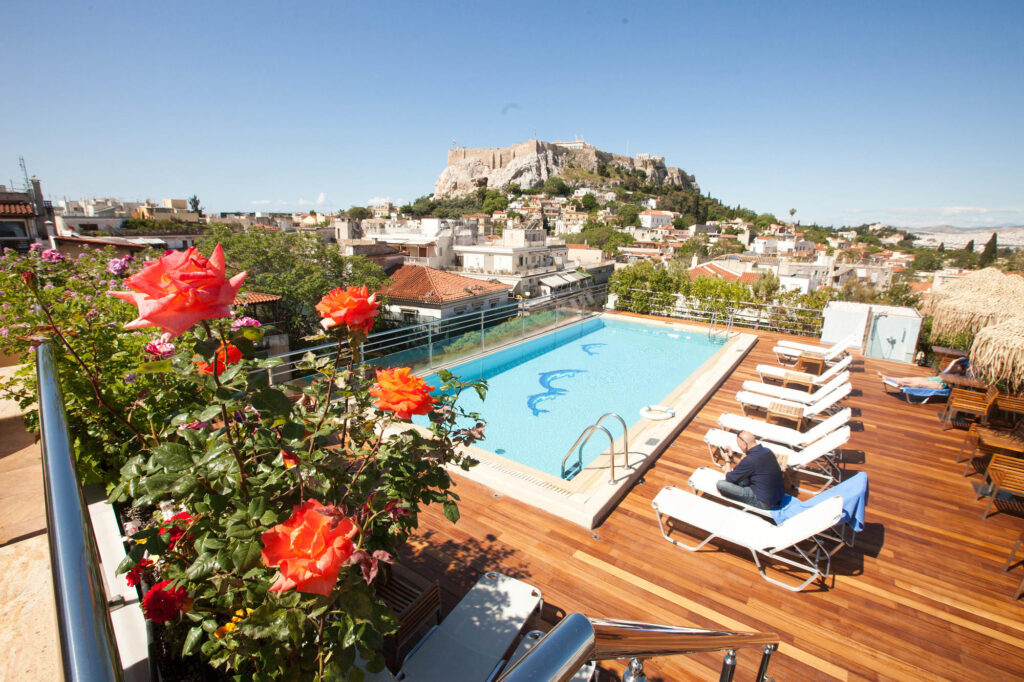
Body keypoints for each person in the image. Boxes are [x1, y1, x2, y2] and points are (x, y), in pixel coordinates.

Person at [715, 431, 785, 510]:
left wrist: (727, 460)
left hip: (765, 502)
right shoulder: (767, 451)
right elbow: (747, 465)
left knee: (721, 484)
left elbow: (728, 478)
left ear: (744, 445)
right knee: (742, 476)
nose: (739, 447)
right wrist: (732, 458)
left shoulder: (750, 460)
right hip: (777, 496)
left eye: (739, 445)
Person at [877, 356, 967, 389]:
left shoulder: (959, 377)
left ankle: (901, 383)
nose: (956, 367)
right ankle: (887, 377)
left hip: (939, 385)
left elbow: (952, 387)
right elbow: (952, 364)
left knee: (918, 384)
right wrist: (959, 360)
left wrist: (951, 384)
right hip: (935, 379)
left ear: (961, 369)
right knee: (908, 379)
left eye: (958, 367)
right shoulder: (950, 371)